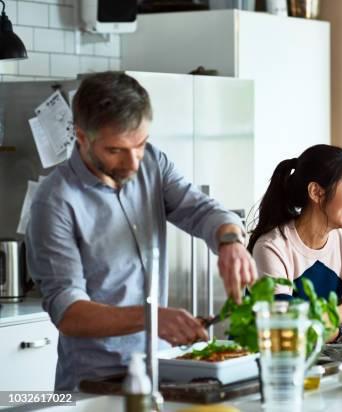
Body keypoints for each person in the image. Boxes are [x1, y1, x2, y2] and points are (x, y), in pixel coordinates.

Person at [26, 71, 257, 391]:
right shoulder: (54, 201)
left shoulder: (151, 162)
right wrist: (152, 317)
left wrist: (230, 240)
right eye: (115, 150)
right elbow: (69, 312)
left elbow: (202, 210)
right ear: (81, 137)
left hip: (162, 370)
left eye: (140, 144)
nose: (133, 162)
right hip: (97, 383)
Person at [249, 144, 342, 342]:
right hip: (270, 365)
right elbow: (288, 334)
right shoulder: (272, 247)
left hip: (325, 363)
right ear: (316, 192)